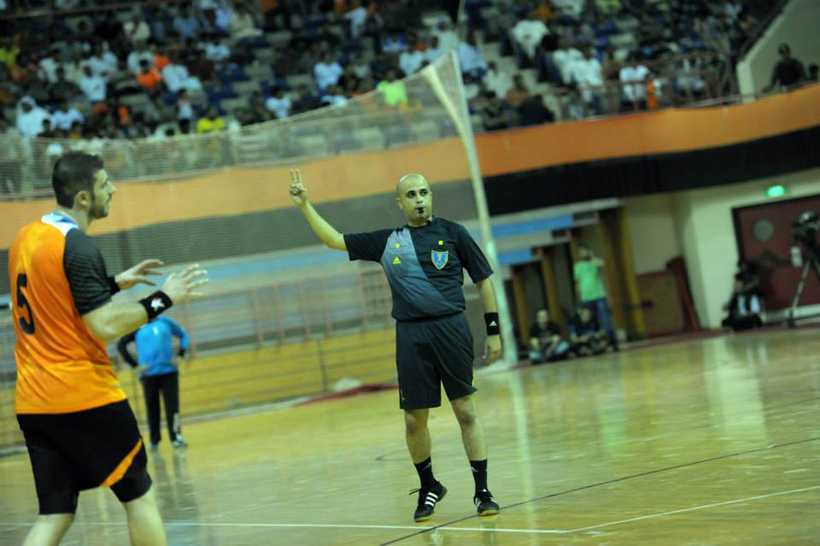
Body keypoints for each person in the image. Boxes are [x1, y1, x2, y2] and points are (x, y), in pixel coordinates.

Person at [8, 151, 208, 546]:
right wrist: (163, 298)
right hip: (85, 396)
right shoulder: (78, 246)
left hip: (34, 402)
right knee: (140, 497)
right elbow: (104, 326)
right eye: (104, 184)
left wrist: (111, 283)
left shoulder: (26, 237)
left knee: (55, 515)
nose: (112, 189)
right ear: (83, 198)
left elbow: (54, 300)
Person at [289, 169, 502, 521]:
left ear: (431, 196)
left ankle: (483, 491)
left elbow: (484, 282)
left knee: (466, 412)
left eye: (424, 192)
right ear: (400, 203)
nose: (419, 200)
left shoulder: (454, 234)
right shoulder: (388, 241)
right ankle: (429, 485)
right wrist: (305, 205)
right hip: (411, 336)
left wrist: (493, 331)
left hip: (451, 330)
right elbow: (334, 240)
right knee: (414, 422)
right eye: (412, 195)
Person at [118, 317, 190, 451]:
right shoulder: (137, 324)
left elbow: (184, 335)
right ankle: (154, 440)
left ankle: (176, 437)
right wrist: (135, 365)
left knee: (172, 407)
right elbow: (121, 345)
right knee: (152, 408)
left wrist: (180, 354)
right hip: (149, 376)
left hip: (169, 372)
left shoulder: (166, 322)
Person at [573, 244, 618, 350]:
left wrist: (592, 256)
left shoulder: (594, 262)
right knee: (591, 320)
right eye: (581, 252)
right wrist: (578, 296)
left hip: (599, 295)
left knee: (605, 319)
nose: (583, 253)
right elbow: (577, 282)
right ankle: (595, 343)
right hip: (586, 297)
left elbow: (602, 264)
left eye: (584, 251)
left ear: (588, 251)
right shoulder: (577, 266)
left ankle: (613, 342)